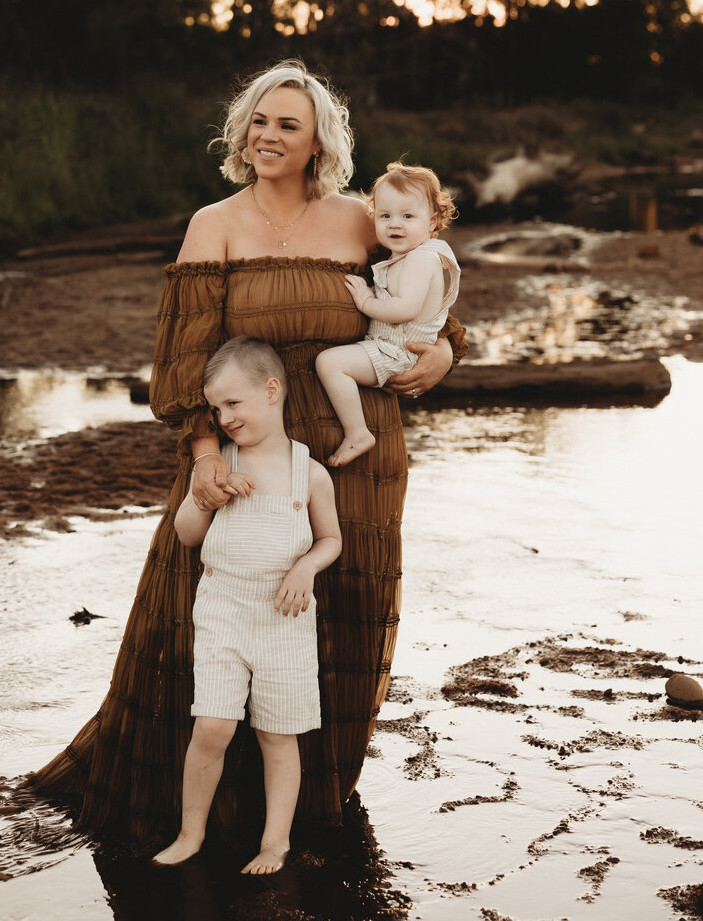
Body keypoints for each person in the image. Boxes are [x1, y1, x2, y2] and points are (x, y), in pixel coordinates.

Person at [29, 59, 467, 844]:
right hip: (241, 447)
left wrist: (445, 357)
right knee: (195, 616)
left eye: (287, 125)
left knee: (340, 618)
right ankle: (197, 814)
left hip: (351, 456)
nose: (268, 135)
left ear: (316, 142)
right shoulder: (214, 223)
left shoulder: (361, 221)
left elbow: (426, 293)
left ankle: (306, 811)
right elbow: (184, 356)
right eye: (259, 121)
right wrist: (203, 455)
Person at [152, 336, 341, 873]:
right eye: (216, 409)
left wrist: (306, 566)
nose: (225, 417)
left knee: (278, 734)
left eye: (233, 403)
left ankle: (274, 841)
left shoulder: (309, 472)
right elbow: (188, 535)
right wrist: (204, 495)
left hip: (284, 621)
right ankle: (191, 833)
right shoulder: (219, 465)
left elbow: (331, 540)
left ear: (272, 390)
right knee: (212, 726)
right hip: (223, 615)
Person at [316, 162, 460, 466]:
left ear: (432, 221)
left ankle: (357, 432)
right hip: (391, 347)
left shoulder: (421, 260)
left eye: (407, 216)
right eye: (385, 216)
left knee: (330, 363)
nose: (395, 224)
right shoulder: (408, 256)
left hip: (398, 352)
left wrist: (366, 301)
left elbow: (405, 310)